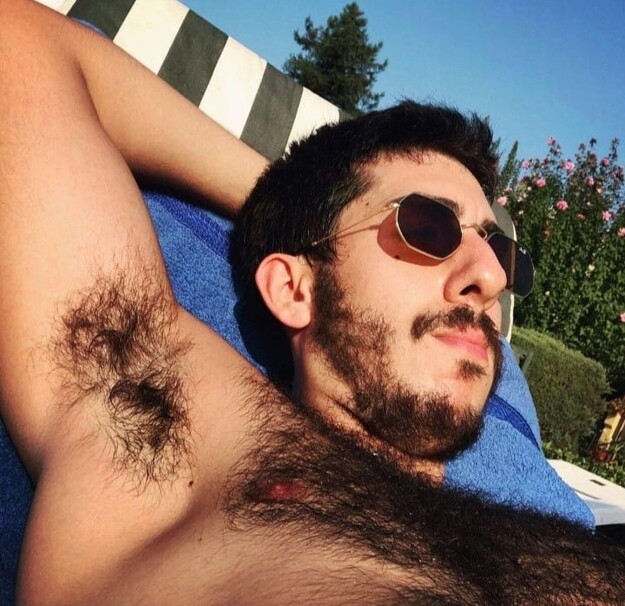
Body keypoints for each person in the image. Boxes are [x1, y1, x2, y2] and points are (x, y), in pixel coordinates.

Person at [1, 2, 624, 605]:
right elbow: (20, 48)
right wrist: (283, 206)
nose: (489, 275)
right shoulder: (166, 438)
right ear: (293, 288)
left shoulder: (541, 534)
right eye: (427, 225)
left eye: (500, 252)